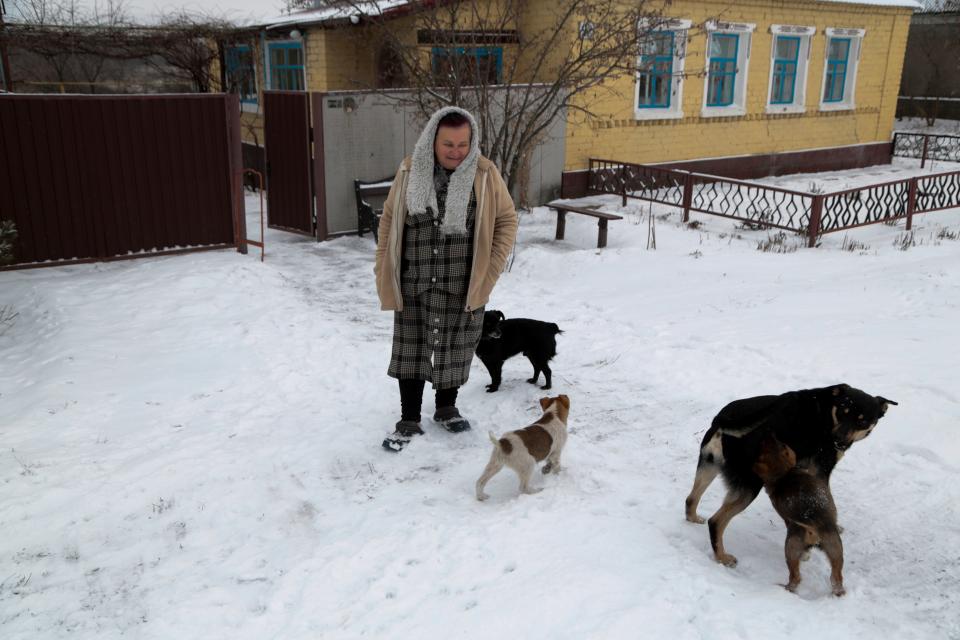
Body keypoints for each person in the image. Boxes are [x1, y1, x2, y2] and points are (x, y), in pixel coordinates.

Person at [374, 106, 518, 452]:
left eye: (462, 144)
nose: (456, 151)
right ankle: (409, 418)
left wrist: (491, 270)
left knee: (455, 349)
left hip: (462, 284)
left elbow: (506, 220)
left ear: (473, 142)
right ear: (433, 141)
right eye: (448, 144)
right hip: (414, 281)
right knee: (411, 349)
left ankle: (446, 408)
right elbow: (390, 219)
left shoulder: (484, 174)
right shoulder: (410, 171)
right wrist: (382, 265)